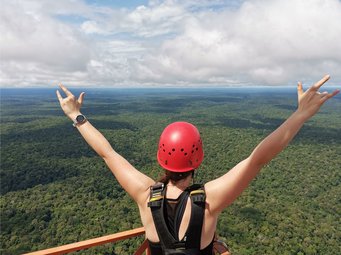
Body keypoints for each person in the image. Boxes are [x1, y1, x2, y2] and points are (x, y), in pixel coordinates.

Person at [56, 75, 339, 254]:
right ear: (198, 158)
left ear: (161, 156)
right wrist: (300, 115)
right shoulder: (210, 199)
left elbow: (108, 153)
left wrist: (76, 116)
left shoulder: (146, 195)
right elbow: (258, 158)